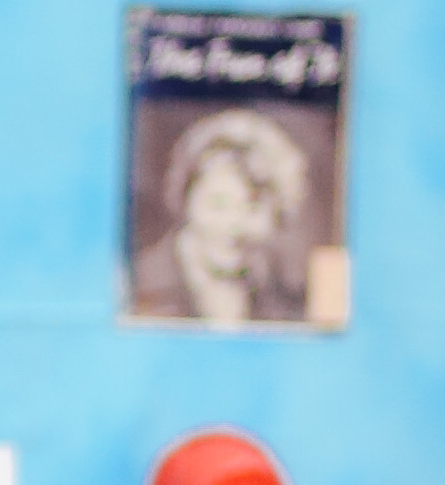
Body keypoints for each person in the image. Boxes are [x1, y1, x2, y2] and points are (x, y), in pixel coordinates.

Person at [128, 102, 321, 328]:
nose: (232, 225)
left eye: (251, 208)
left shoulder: (280, 290)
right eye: (217, 204)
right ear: (185, 197)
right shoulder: (139, 282)